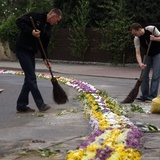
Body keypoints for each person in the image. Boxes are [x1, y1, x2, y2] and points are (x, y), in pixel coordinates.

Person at [15, 8, 62, 112]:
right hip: (22, 49)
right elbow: (19, 22)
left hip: (31, 53)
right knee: (31, 77)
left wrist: (46, 59)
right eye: (57, 20)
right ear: (53, 16)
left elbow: (43, 46)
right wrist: (31, 31)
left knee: (29, 79)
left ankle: (21, 105)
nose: (56, 23)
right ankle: (41, 104)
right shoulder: (36, 16)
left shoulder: (48, 28)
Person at [130, 23, 160, 102]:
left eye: (136, 33)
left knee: (156, 75)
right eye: (134, 34)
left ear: (140, 30)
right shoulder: (136, 39)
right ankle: (144, 95)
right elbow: (138, 53)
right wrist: (140, 64)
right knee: (144, 75)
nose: (135, 36)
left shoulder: (151, 29)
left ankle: (152, 96)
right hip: (148, 55)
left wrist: (154, 39)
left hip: (158, 53)